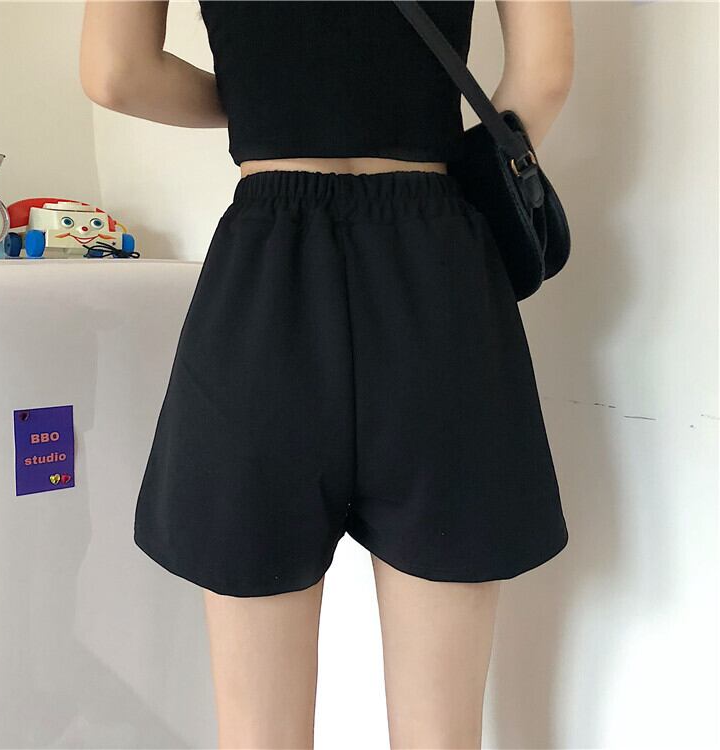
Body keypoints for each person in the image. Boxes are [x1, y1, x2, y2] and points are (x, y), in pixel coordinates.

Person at [81, 2, 574, 748]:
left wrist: (260, 96)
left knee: (258, 733)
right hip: (438, 278)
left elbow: (116, 73)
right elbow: (544, 75)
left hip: (266, 279)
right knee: (442, 733)